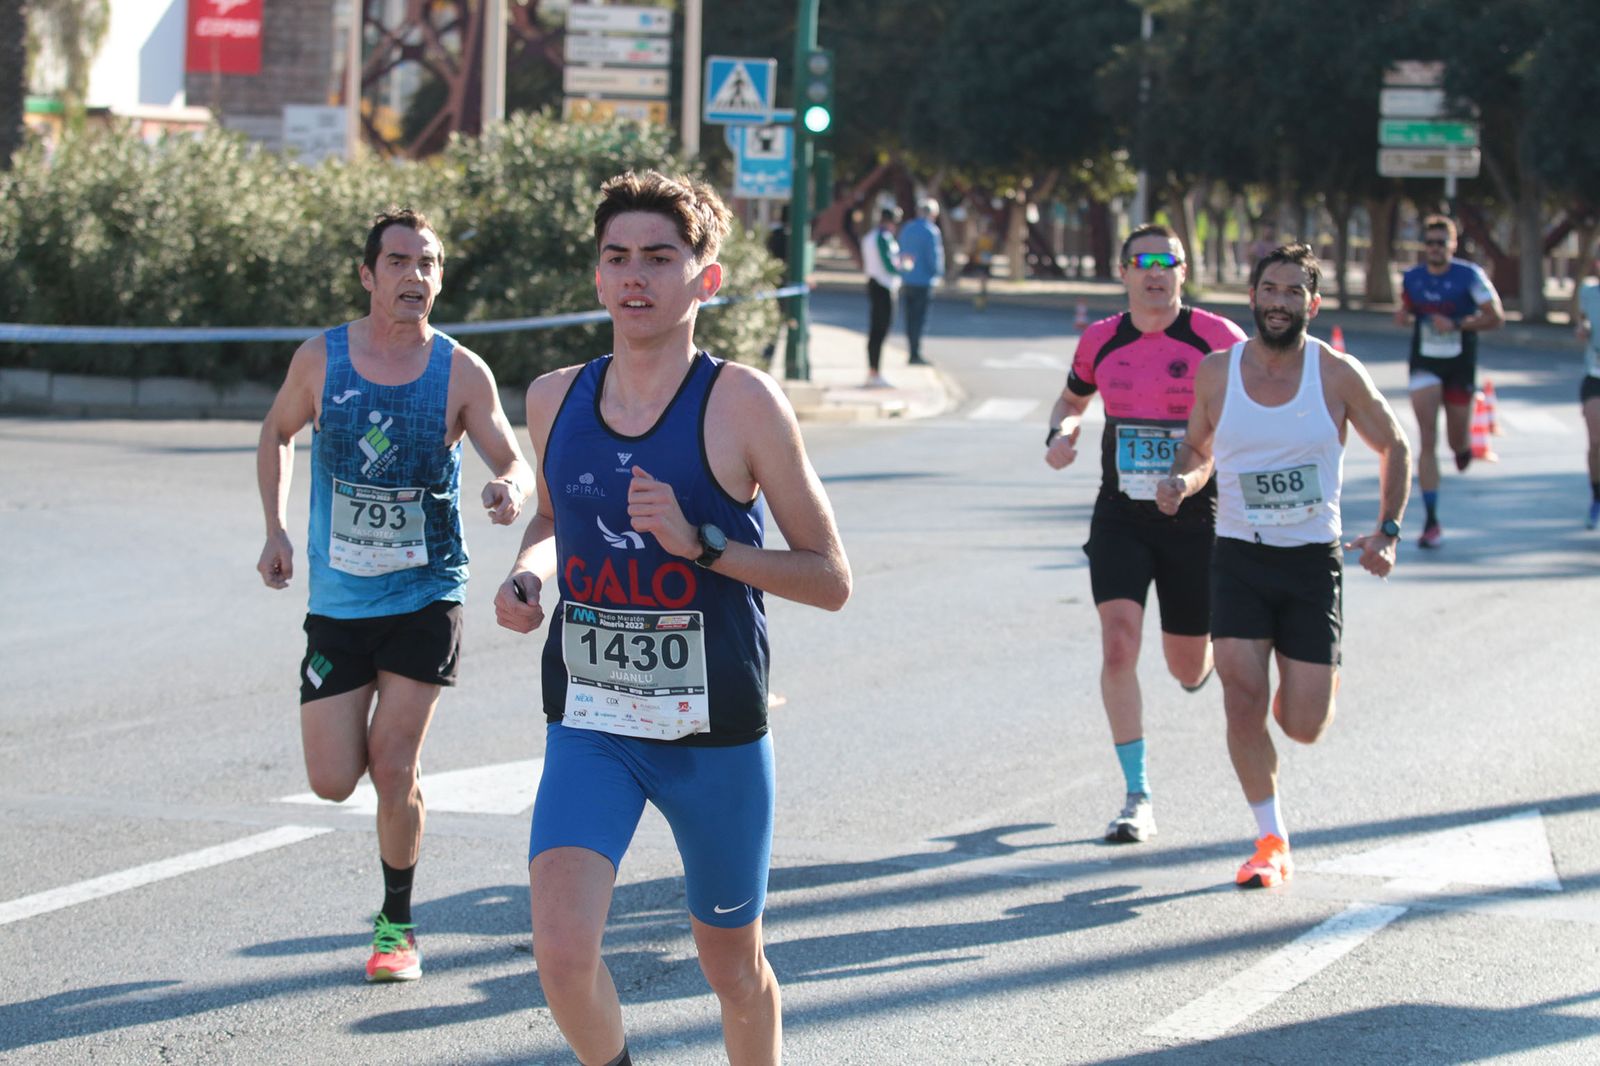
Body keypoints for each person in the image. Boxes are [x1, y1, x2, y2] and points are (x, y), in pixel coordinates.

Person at [495, 170, 851, 1066]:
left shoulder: (744, 404)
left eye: (660, 257)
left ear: (707, 278)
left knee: (731, 967)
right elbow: (551, 516)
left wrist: (705, 550)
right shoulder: (552, 398)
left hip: (714, 733)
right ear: (597, 277)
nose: (635, 277)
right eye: (617, 258)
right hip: (594, 719)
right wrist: (530, 576)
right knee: (563, 953)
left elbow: (831, 577)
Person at [256, 208, 533, 981]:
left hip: (425, 595)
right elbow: (277, 433)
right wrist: (275, 530)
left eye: (430, 264)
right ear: (368, 274)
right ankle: (393, 905)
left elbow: (514, 458)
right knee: (331, 780)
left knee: (392, 759)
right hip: (339, 603)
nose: (416, 276)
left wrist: (508, 488)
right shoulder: (322, 360)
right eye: (401, 261)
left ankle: (396, 928)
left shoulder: (460, 371)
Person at [1157, 243, 1411, 889]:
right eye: (1270, 289)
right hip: (1238, 557)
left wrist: (1387, 530)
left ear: (1312, 304)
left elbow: (1396, 445)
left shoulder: (1337, 374)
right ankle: (1270, 838)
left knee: (1302, 725)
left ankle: (1307, 680)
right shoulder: (1218, 372)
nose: (1279, 302)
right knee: (1240, 700)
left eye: (1293, 292)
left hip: (1309, 567)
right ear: (1253, 297)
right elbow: (1196, 445)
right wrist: (1184, 480)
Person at [1044, 224, 1247, 844]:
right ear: (1124, 272)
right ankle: (1137, 794)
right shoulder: (1101, 340)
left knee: (1186, 665)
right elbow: (1069, 402)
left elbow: (1240, 421)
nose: (1155, 272)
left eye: (1168, 261)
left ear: (1184, 272)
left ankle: (1196, 664)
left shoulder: (1218, 340)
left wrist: (1190, 478)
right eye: (1143, 261)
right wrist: (1060, 436)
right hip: (1122, 516)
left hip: (1194, 518)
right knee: (1117, 645)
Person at [1392, 214, 1504, 548]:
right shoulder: (1412, 277)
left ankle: (1463, 447)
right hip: (1424, 364)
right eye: (1430, 243)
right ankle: (1431, 520)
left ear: (1452, 245)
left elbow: (1495, 317)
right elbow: (1407, 309)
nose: (1435, 248)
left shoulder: (1469, 275)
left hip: (1459, 365)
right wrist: (1403, 316)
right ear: (1424, 246)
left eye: (1442, 242)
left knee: (1455, 441)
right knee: (1427, 439)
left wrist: (1456, 324)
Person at [898, 198, 946, 366]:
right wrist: (938, 273)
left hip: (907, 279)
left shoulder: (907, 228)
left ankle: (911, 350)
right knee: (920, 319)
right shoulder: (931, 231)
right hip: (924, 281)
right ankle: (915, 353)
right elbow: (934, 257)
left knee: (909, 318)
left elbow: (901, 252)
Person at [860, 205, 904, 387]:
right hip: (883, 285)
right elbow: (889, 264)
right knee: (880, 330)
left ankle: (874, 370)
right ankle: (874, 372)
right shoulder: (882, 237)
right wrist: (902, 266)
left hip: (875, 283)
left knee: (877, 330)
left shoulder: (871, 236)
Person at [1573, 244, 1600, 530]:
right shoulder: (1589, 292)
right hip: (1595, 375)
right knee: (1596, 441)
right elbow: (1582, 322)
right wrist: (1583, 330)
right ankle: (1596, 497)